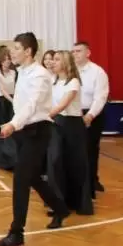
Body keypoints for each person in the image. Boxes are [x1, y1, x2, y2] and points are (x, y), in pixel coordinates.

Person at [0, 33, 71, 246]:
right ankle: (60, 209)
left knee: (21, 178)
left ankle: (16, 232)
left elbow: (32, 105)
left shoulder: (40, 75)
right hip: (23, 130)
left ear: (28, 51)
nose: (12, 52)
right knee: (33, 178)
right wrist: (14, 123)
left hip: (38, 131)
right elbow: (20, 105)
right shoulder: (22, 72)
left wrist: (12, 124)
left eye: (16, 48)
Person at [47, 51, 94, 215]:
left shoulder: (73, 82)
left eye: (57, 59)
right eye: (53, 59)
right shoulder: (53, 81)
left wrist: (44, 116)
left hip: (71, 126)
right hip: (56, 124)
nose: (53, 62)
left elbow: (62, 105)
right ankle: (58, 203)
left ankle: (76, 202)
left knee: (74, 164)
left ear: (66, 63)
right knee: (55, 162)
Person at [71, 41, 109, 196]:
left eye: (78, 51)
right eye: (73, 51)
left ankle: (90, 185)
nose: (75, 54)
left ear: (88, 53)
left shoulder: (97, 72)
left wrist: (90, 115)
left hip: (91, 115)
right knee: (74, 152)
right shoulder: (70, 71)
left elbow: (100, 97)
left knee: (89, 151)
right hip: (73, 114)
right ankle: (76, 184)